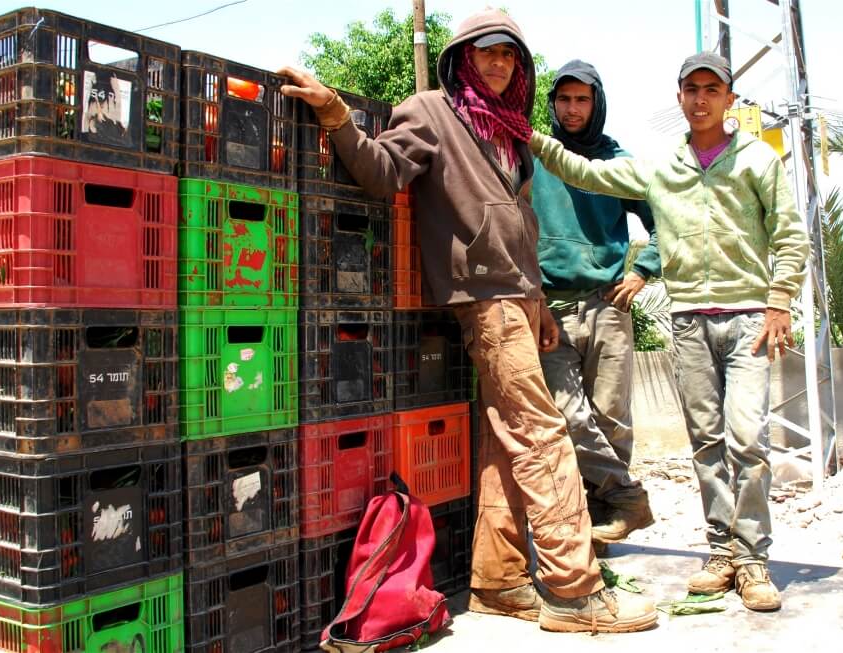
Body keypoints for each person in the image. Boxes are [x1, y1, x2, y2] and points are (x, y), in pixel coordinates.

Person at [280, 8, 656, 633]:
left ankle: (501, 579)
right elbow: (381, 173)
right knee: (543, 434)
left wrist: (537, 301)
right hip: (482, 298)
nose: (500, 64)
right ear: (461, 59)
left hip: (517, 297)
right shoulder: (431, 109)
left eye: (510, 55)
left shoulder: (509, 131)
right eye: (487, 53)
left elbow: (520, 224)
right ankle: (574, 591)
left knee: (508, 443)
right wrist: (336, 115)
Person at [527, 51, 810, 612]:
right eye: (690, 89)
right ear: (679, 97)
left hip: (749, 318)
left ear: (729, 99)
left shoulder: (756, 160)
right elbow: (585, 172)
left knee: (746, 438)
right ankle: (721, 551)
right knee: (705, 442)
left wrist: (779, 302)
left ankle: (753, 557)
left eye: (712, 89)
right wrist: (532, 138)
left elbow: (789, 233)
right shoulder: (661, 166)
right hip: (687, 322)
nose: (700, 98)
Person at [533, 60, 660, 554]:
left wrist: (641, 270)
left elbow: (661, 221)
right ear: (552, 104)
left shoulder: (616, 161)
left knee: (610, 417)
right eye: (563, 99)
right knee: (567, 417)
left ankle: (602, 527)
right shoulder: (535, 156)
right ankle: (625, 498)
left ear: (597, 103)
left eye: (581, 99)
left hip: (606, 305)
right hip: (548, 307)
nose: (571, 109)